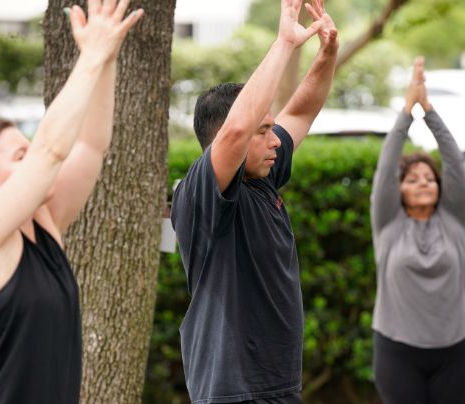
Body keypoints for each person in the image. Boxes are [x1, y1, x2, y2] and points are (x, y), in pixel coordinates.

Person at [0, 1, 143, 402]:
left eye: (28, 152)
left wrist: (108, 59)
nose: (34, 164)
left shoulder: (45, 221)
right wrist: (90, 56)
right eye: (18, 158)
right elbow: (50, 152)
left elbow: (91, 144)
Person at [170, 0, 338, 402]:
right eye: (263, 130)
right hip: (233, 390)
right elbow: (236, 130)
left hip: (276, 385)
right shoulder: (202, 194)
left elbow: (303, 109)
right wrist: (284, 43)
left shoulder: (262, 180)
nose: (276, 138)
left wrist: (327, 53)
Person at [370, 57, 465, 404]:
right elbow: (386, 169)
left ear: (440, 187)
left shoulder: (451, 220)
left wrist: (428, 110)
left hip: (457, 351)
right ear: (399, 190)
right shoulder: (389, 223)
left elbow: (456, 166)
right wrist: (406, 113)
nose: (423, 183)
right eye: (413, 179)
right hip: (397, 351)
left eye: (429, 179)